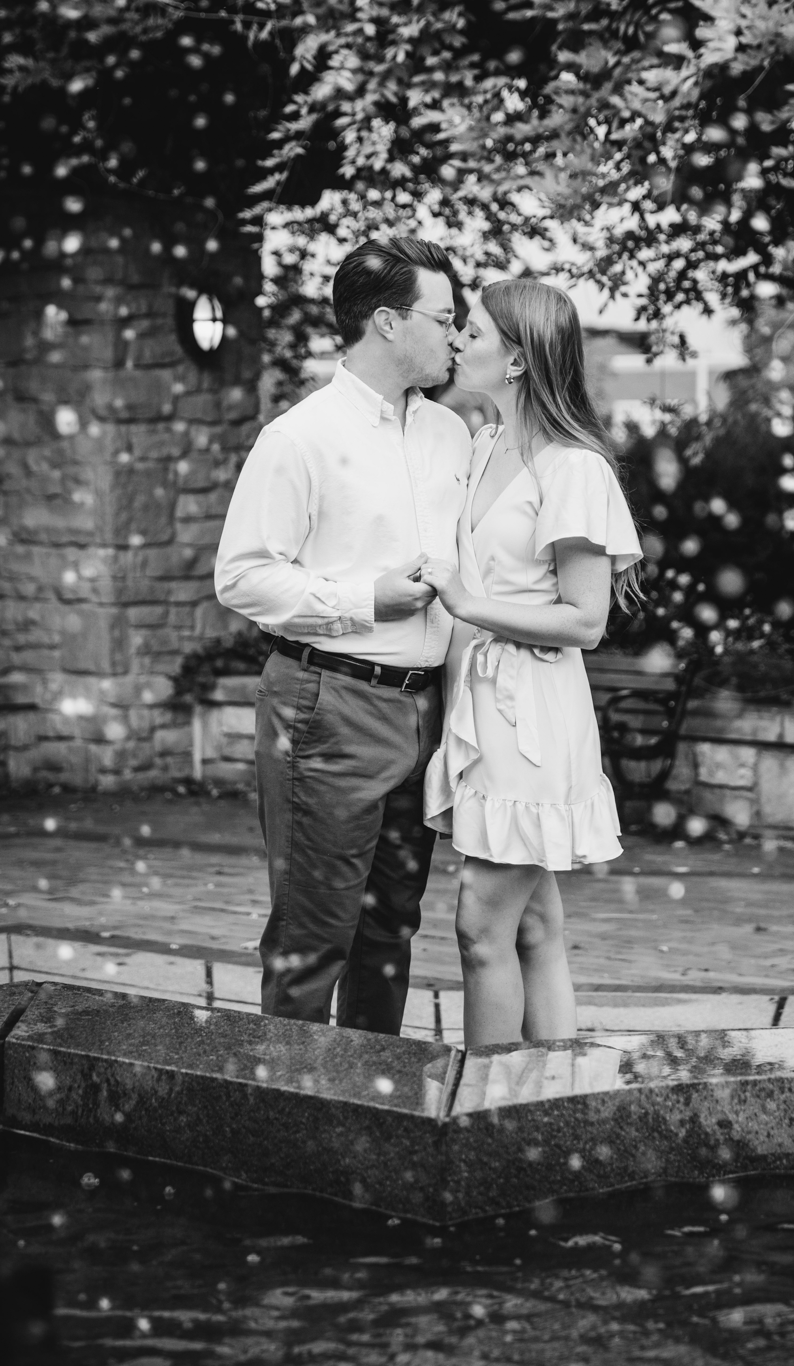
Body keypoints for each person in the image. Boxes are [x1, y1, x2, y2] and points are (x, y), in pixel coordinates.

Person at [214, 237, 471, 1033]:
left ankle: (372, 1113)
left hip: (425, 708)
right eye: (444, 317)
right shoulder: (299, 437)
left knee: (390, 930)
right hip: (329, 704)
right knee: (312, 934)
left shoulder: (451, 435)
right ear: (389, 323)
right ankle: (284, 1126)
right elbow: (244, 576)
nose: (457, 335)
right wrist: (365, 599)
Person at [420, 279, 642, 1048]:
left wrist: (464, 603)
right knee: (535, 924)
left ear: (515, 359)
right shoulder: (483, 445)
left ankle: (485, 1115)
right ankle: (555, 1098)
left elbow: (584, 620)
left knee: (480, 925)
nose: (455, 340)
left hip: (531, 717)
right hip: (475, 702)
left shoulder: (572, 468)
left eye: (471, 331)